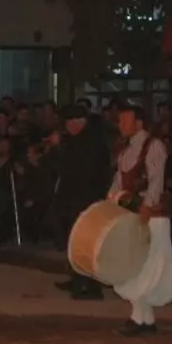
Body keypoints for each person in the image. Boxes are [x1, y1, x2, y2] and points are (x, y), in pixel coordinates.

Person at [108, 104, 172, 336]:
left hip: (152, 218)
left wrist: (147, 208)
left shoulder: (154, 146)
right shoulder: (125, 151)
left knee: (148, 266)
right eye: (120, 121)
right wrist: (108, 204)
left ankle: (139, 319)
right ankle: (145, 319)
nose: (121, 125)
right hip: (132, 216)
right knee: (135, 265)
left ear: (139, 123)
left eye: (124, 121)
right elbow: (119, 181)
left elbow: (156, 180)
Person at [53, 105, 112, 299]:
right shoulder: (80, 141)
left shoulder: (90, 142)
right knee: (74, 241)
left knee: (85, 243)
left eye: (70, 122)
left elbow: (79, 170)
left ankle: (89, 285)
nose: (68, 126)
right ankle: (77, 278)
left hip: (84, 199)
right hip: (76, 198)